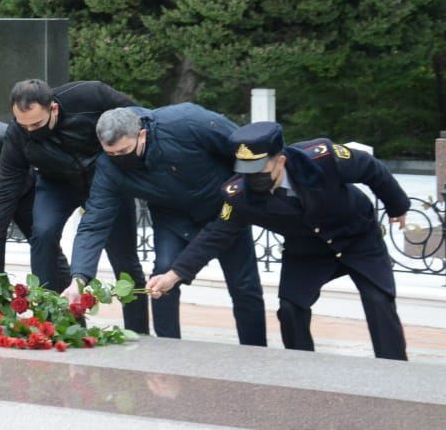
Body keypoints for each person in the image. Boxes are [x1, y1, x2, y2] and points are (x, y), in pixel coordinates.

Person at [147, 122, 411, 360]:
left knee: (379, 300)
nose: (253, 177)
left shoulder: (321, 158)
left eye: (260, 169)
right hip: (307, 250)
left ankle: (394, 368)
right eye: (246, 170)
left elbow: (370, 167)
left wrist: (397, 205)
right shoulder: (237, 195)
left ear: (280, 160)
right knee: (290, 309)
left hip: (356, 237)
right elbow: (216, 235)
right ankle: (300, 366)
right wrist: (174, 275)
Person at [63, 105, 267, 346]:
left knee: (244, 286)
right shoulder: (109, 168)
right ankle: (168, 350)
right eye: (112, 154)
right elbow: (95, 222)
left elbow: (240, 149)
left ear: (142, 134)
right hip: (172, 218)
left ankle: (256, 352)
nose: (119, 159)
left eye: (124, 151)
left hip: (221, 210)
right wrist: (79, 279)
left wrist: (243, 195)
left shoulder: (187, 122)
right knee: (161, 280)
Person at [0, 79, 147, 334]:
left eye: (36, 124)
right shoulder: (17, 135)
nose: (30, 131)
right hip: (56, 184)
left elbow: (139, 119)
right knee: (42, 235)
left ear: (53, 108)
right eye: (24, 125)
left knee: (124, 257)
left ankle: (139, 330)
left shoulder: (89, 96)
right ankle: (52, 323)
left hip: (105, 181)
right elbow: (5, 192)